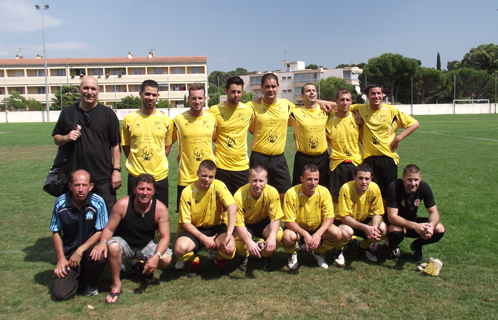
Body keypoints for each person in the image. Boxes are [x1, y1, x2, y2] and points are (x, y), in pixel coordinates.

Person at [90, 174, 172, 304]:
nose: (145, 193)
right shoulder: (122, 205)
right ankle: (116, 285)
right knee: (113, 245)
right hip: (125, 244)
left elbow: (165, 237)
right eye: (141, 189)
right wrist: (102, 242)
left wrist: (156, 257)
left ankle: (145, 269)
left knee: (166, 258)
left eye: (149, 189)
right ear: (134, 189)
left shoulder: (160, 209)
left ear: (154, 191)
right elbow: (109, 229)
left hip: (146, 245)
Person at [52, 76, 121, 215]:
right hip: (77, 179)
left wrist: (116, 171)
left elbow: (115, 145)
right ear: (79, 89)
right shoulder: (68, 112)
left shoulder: (108, 114)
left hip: (103, 177)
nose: (89, 92)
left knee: (108, 217)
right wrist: (66, 137)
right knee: (77, 217)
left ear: (98, 91)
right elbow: (56, 138)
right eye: (86, 88)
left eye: (93, 89)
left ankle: (107, 238)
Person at [350, 83, 419, 206]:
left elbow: (414, 124)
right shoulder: (361, 108)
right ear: (367, 96)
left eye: (378, 93)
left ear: (383, 95)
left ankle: (388, 220)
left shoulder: (391, 111)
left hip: (388, 158)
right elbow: (340, 105)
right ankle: (373, 219)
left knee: (388, 192)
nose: (376, 96)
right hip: (369, 159)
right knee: (370, 192)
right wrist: (356, 112)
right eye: (373, 93)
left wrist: (398, 138)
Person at [50, 170, 107, 300]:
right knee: (61, 294)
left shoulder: (98, 202)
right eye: (76, 185)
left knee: (101, 255)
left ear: (90, 187)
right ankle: (77, 276)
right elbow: (56, 231)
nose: (80, 189)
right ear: (70, 186)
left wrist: (80, 250)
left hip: (89, 251)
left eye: (84, 185)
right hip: (69, 255)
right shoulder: (61, 203)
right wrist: (60, 258)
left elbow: (101, 231)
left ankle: (90, 283)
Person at [174, 160, 237, 277]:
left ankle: (218, 257)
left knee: (230, 248)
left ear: (214, 176)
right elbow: (185, 223)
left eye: (210, 176)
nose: (206, 179)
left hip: (216, 227)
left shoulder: (219, 185)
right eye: (204, 175)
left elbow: (232, 207)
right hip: (195, 229)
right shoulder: (187, 192)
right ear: (197, 173)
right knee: (179, 248)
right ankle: (194, 259)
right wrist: (204, 238)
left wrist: (228, 234)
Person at [121, 80, 174, 208]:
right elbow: (126, 146)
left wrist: (158, 159)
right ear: (140, 94)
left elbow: (167, 146)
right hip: (136, 175)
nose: (150, 98)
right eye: (147, 94)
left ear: (158, 96)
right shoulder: (129, 119)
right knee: (135, 214)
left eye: (153, 95)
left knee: (160, 213)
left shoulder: (166, 121)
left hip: (159, 175)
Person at [281, 164, 342, 270]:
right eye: (309, 179)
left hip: (316, 229)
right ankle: (292, 254)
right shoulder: (291, 193)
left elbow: (330, 218)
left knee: (337, 233)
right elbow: (288, 222)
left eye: (316, 179)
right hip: (298, 231)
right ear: (301, 179)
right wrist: (305, 234)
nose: (313, 183)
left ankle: (318, 252)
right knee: (287, 236)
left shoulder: (324, 192)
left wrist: (318, 234)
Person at [248, 73, 296, 203]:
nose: (271, 89)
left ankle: (285, 223)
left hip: (278, 158)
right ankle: (258, 222)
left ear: (278, 86)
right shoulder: (253, 106)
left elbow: (308, 105)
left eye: (273, 86)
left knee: (285, 194)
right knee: (258, 194)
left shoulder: (286, 105)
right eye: (267, 86)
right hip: (259, 156)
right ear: (262, 87)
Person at [387, 164, 445, 263]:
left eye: (416, 180)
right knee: (395, 230)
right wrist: (415, 226)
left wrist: (431, 226)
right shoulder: (394, 187)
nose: (413, 183)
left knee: (439, 228)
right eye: (409, 180)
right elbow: (392, 217)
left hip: (413, 222)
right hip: (397, 224)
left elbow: (434, 212)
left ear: (420, 178)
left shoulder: (424, 187)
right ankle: (393, 247)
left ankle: (417, 245)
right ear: (403, 177)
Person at [172, 83, 216, 211]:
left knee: (208, 214)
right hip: (186, 177)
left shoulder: (212, 118)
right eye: (194, 98)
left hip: (207, 175)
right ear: (188, 99)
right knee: (184, 218)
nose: (197, 101)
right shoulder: (178, 120)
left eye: (200, 98)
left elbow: (216, 138)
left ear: (205, 99)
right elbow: (169, 141)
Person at [233, 166, 284, 272]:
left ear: (266, 181)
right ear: (249, 180)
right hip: (246, 225)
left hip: (263, 223)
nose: (258, 184)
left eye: (261, 181)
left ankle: (265, 256)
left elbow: (275, 218)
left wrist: (272, 236)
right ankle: (246, 256)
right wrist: (248, 241)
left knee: (278, 235)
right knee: (237, 242)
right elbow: (238, 224)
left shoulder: (272, 192)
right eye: (254, 180)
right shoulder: (239, 195)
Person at [209, 76, 254, 194]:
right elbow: (211, 135)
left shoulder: (248, 110)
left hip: (241, 166)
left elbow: (255, 130)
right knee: (221, 205)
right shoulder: (214, 110)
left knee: (241, 205)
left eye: (239, 92)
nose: (236, 95)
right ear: (226, 91)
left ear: (242, 92)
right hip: (220, 166)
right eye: (233, 91)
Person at [335, 164, 386, 265]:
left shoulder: (375, 188)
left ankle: (363, 247)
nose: (364, 182)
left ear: (371, 179)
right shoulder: (346, 188)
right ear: (354, 178)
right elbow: (344, 217)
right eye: (360, 178)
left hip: (362, 220)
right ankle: (338, 250)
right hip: (345, 221)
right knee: (347, 232)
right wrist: (366, 228)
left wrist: (374, 228)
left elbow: (378, 213)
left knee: (382, 228)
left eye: (367, 179)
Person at [325, 88, 362, 207]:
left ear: (351, 102)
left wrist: (357, 111)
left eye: (347, 100)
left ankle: (354, 222)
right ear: (336, 101)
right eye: (341, 100)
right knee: (336, 197)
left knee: (354, 196)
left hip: (355, 162)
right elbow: (317, 102)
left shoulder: (357, 118)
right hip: (337, 164)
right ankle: (337, 222)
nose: (344, 102)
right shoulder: (329, 118)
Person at [288, 83, 329, 187]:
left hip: (322, 158)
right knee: (299, 189)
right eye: (308, 91)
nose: (311, 92)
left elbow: (342, 105)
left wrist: (318, 102)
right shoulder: (295, 113)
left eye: (314, 91)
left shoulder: (326, 111)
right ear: (302, 96)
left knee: (323, 189)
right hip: (303, 158)